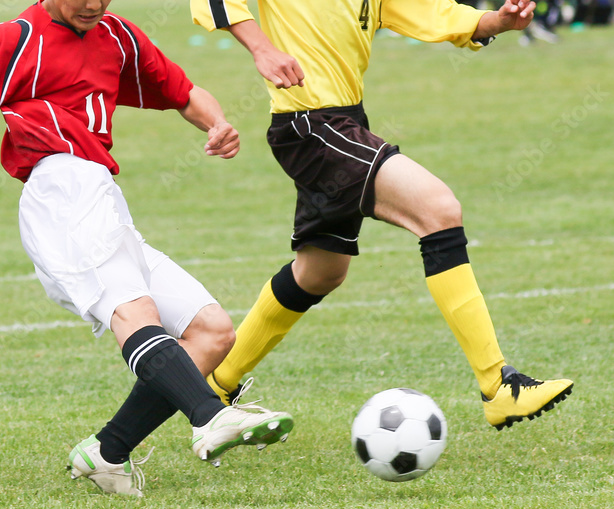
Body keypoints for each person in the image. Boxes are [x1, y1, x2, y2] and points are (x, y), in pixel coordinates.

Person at [0, 0, 293, 497]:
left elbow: (183, 90)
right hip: (60, 193)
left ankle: (107, 452)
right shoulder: (14, 41)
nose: (93, 5)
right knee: (135, 313)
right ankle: (211, 418)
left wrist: (216, 124)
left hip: (103, 195)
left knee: (211, 332)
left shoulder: (118, 35)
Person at [190, 0, 573, 430]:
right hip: (311, 126)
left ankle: (218, 383)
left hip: (342, 121)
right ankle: (498, 385)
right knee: (438, 209)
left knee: (320, 271)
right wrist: (261, 47)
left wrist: (498, 22)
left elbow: (433, 13)